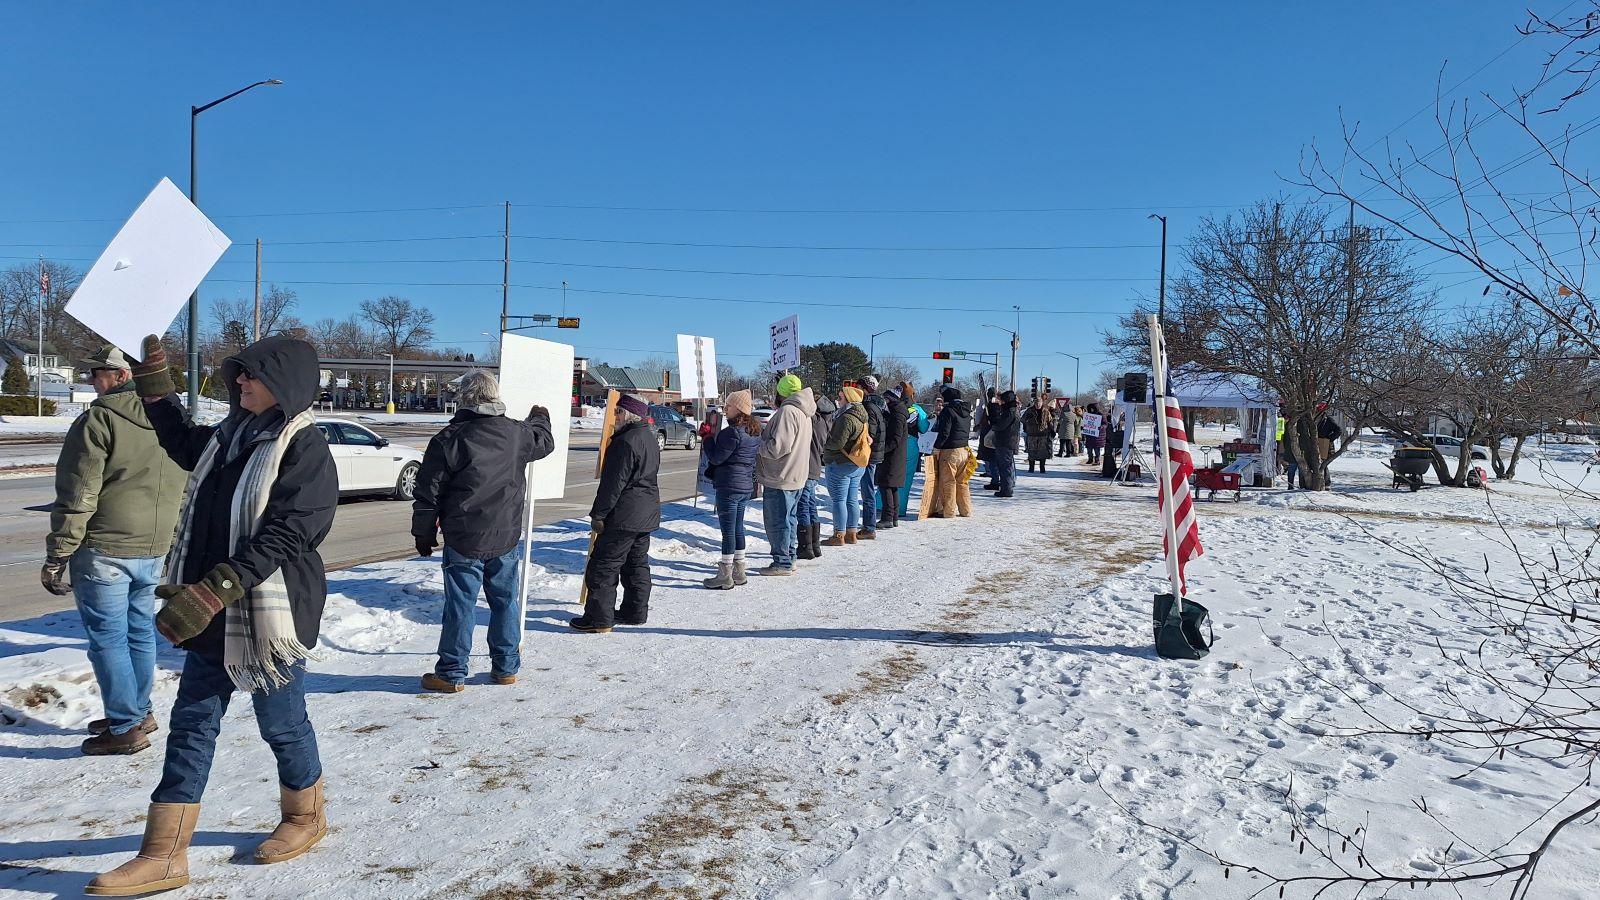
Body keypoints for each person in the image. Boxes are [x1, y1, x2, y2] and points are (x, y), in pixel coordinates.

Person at [90, 335, 337, 896]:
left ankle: (305, 815)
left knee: (281, 722)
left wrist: (215, 590)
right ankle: (163, 854)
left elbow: (290, 533)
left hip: (270, 614)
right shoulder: (229, 437)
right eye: (239, 374)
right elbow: (180, 440)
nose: (240, 382)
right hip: (212, 609)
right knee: (192, 724)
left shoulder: (304, 447)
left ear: (283, 383)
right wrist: (156, 389)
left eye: (251, 374)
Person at [43, 345, 186, 756]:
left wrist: (58, 554)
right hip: (153, 546)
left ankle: (125, 727)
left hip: (105, 547)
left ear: (122, 376)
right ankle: (138, 712)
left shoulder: (100, 419)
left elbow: (78, 493)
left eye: (97, 372)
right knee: (139, 630)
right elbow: (185, 484)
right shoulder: (172, 418)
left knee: (108, 638)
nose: (91, 379)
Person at [411, 371, 555, 693]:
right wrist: (540, 417)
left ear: (464, 398)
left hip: (464, 537)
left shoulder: (449, 439)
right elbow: (544, 441)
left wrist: (423, 532)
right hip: (505, 535)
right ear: (495, 395)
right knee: (505, 602)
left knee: (460, 605)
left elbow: (428, 492)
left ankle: (451, 673)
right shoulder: (517, 433)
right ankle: (505, 668)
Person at [573, 393, 660, 631]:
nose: (615, 416)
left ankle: (598, 619)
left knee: (603, 567)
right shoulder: (648, 437)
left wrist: (599, 514)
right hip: (644, 513)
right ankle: (635, 612)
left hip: (624, 515)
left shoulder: (625, 442)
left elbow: (613, 485)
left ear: (631, 415)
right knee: (636, 565)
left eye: (619, 412)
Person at [701, 390, 761, 589]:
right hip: (744, 486)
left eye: (729, 406)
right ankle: (739, 571)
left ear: (739, 409)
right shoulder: (753, 431)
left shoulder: (731, 433)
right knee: (738, 528)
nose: (725, 409)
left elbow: (716, 458)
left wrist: (707, 438)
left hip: (729, 486)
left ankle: (725, 574)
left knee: (728, 532)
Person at [755, 375, 813, 576]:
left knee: (778, 521)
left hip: (781, 475)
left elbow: (778, 447)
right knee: (789, 519)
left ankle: (782, 562)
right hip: (795, 474)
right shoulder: (804, 410)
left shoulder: (788, 411)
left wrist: (758, 445)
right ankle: (790, 557)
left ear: (781, 392)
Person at [821, 384, 869, 545]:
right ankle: (851, 533)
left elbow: (837, 443)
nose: (838, 400)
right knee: (852, 499)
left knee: (839, 500)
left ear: (849, 399)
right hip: (856, 463)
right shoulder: (862, 415)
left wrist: (824, 445)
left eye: (841, 397)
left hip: (841, 463)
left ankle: (838, 535)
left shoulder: (846, 418)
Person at [798, 392, 836, 559]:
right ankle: (815, 544)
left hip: (807, 467)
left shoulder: (814, 421)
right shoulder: (826, 421)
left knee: (803, 506)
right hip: (814, 467)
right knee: (811, 505)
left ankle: (806, 546)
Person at [928, 385, 973, 518]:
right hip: (964, 450)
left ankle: (948, 511)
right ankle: (966, 510)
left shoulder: (948, 411)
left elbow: (944, 432)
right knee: (962, 482)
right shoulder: (966, 411)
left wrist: (937, 447)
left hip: (950, 450)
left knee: (948, 481)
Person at [857, 376, 887, 540]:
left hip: (869, 454)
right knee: (867, 490)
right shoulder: (877, 405)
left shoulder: (869, 407)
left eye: (858, 386)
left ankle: (869, 527)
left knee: (867, 491)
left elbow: (871, 433)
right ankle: (868, 526)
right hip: (874, 453)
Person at [899, 382, 929, 519]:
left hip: (893, 444)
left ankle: (881, 504)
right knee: (906, 477)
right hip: (910, 443)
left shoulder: (892, 405)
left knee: (890, 474)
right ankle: (899, 508)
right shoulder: (916, 409)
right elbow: (924, 428)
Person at [989, 391, 1021, 497]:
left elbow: (1001, 425)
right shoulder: (1012, 410)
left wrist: (994, 422)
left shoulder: (1010, 412)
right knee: (1006, 466)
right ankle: (1006, 487)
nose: (1001, 403)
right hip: (1007, 441)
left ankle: (1006, 489)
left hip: (1005, 441)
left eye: (1002, 401)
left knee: (1005, 466)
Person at [1022, 394, 1055, 473]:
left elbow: (1050, 421)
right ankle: (1031, 468)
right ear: (1034, 403)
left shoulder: (1046, 411)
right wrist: (1027, 425)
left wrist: (1052, 430)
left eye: (1039, 403)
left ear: (1042, 403)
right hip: (1032, 434)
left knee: (1042, 452)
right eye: (1036, 403)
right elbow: (1023, 419)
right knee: (1031, 451)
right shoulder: (1029, 411)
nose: (1038, 404)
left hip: (1043, 434)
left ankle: (1042, 468)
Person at [975, 387, 997, 489]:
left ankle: (993, 475)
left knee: (991, 456)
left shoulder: (995, 406)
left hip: (990, 434)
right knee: (987, 455)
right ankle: (989, 471)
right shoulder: (987, 405)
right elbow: (984, 417)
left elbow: (990, 419)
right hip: (985, 433)